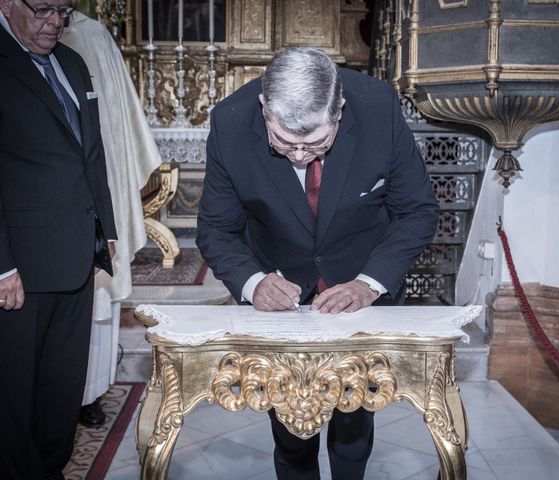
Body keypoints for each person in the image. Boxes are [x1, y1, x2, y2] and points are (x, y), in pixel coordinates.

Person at [197, 47, 439, 480]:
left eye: (316, 143)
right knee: (291, 427)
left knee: (354, 423)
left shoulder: (377, 108)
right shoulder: (231, 122)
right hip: (282, 290)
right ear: (263, 109)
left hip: (362, 284)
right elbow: (216, 229)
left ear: (339, 110)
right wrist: (253, 283)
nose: (299, 156)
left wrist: (368, 283)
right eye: (285, 142)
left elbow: (418, 211)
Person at [0, 0, 117, 478]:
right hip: (20, 267)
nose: (55, 22)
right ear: (8, 3)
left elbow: (91, 154)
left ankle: (50, 469)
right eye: (43, 8)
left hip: (75, 254)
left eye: (64, 10)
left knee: (61, 386)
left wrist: (104, 231)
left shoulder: (71, 62)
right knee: (12, 394)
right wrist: (2, 266)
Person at [61, 9, 162, 428]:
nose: (52, 20)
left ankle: (89, 392)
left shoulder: (93, 35)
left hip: (94, 186)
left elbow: (118, 121)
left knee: (99, 299)